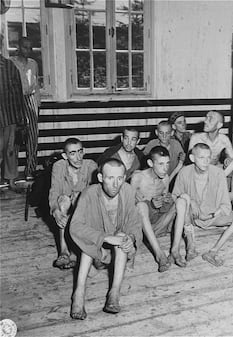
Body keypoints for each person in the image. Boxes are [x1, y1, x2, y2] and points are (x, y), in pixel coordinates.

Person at [69, 158, 142, 319]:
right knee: (89, 241)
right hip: (95, 252)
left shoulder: (128, 191)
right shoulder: (89, 193)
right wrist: (106, 238)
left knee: (122, 237)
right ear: (101, 178)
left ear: (124, 178)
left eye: (119, 178)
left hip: (119, 256)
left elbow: (135, 222)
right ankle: (79, 294)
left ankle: (114, 292)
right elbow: (75, 226)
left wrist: (131, 238)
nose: (116, 184)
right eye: (110, 178)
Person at [172, 143, 233, 267]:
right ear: (192, 158)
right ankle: (190, 246)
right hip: (191, 218)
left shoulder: (218, 173)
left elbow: (225, 205)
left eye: (208, 157)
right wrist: (190, 200)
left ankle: (212, 252)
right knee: (182, 202)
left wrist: (213, 215)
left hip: (212, 217)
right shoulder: (184, 172)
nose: (206, 162)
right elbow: (175, 196)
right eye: (201, 158)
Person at [131, 146, 186, 272]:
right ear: (150, 163)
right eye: (161, 164)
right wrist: (150, 204)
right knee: (141, 205)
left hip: (157, 225)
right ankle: (159, 254)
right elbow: (129, 204)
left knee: (181, 201)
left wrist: (166, 201)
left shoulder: (165, 178)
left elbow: (163, 205)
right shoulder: (138, 177)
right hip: (141, 229)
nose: (165, 168)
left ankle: (175, 251)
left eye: (167, 163)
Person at [49, 138, 97, 269]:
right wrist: (55, 210)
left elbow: (95, 194)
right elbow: (54, 192)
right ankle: (64, 251)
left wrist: (79, 197)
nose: (78, 157)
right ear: (65, 156)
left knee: (78, 196)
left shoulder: (91, 165)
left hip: (86, 211)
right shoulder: (59, 166)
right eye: (72, 153)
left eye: (80, 151)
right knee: (63, 200)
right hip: (67, 210)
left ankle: (85, 249)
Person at [10, 36, 40, 180]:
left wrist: (37, 104)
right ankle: (12, 174)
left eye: (30, 47)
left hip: (31, 100)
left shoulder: (33, 64)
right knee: (14, 138)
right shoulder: (10, 63)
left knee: (33, 138)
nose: (27, 50)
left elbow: (36, 85)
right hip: (15, 102)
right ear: (18, 47)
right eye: (24, 47)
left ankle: (30, 171)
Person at [0, 33, 25, 192]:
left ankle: (11, 181)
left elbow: (18, 94)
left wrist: (19, 118)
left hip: (8, 117)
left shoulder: (9, 67)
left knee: (10, 151)